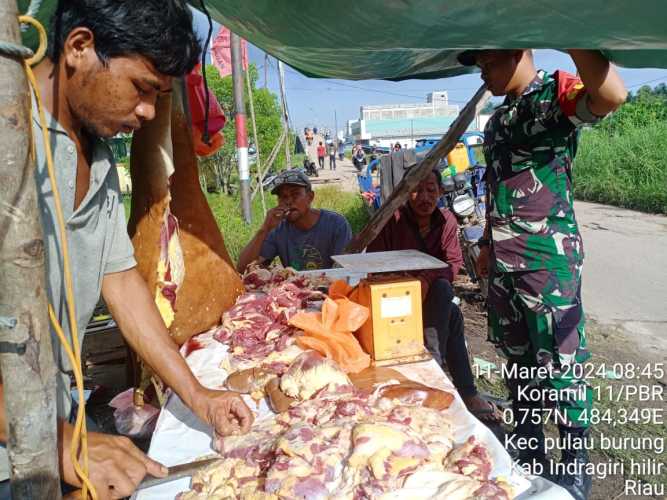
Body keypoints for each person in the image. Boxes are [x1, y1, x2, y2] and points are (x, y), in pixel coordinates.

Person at [0, 2, 254, 498]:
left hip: (46, 424)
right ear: (79, 47)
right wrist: (57, 441)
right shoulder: (11, 137)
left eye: (159, 96)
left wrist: (198, 396)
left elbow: (120, 281)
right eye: (141, 88)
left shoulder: (96, 161)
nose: (148, 113)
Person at [458, 49, 626, 500]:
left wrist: (575, 40)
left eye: (489, 63)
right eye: (479, 67)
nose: (483, 73)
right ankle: (531, 448)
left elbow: (612, 96)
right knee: (520, 363)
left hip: (546, 264)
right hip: (506, 270)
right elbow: (498, 190)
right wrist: (488, 247)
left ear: (518, 54)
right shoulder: (496, 123)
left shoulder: (551, 95)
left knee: (562, 364)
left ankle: (574, 464)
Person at [367, 169, 500, 423]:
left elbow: (453, 263)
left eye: (431, 190)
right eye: (417, 190)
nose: (424, 197)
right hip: (394, 299)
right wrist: (410, 284)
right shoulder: (391, 219)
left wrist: (425, 280)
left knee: (443, 293)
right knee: (451, 314)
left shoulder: (447, 220)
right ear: (406, 193)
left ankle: (441, 372)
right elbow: (375, 264)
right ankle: (454, 385)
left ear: (440, 192)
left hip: (431, 300)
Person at [237, 169, 352, 272]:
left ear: (310, 197)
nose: (289, 201)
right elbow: (243, 268)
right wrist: (264, 229)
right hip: (294, 293)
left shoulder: (336, 224)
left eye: (295, 194)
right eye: (283, 197)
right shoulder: (278, 230)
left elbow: (344, 270)